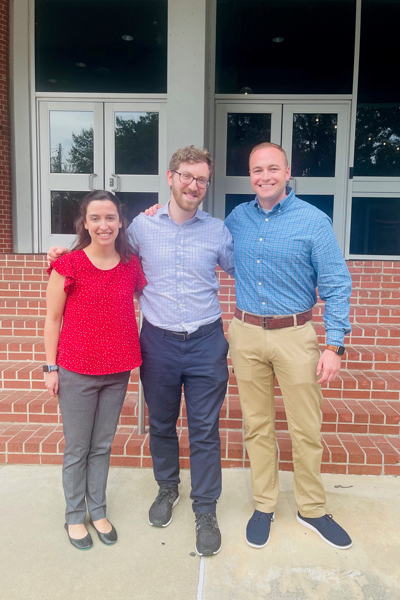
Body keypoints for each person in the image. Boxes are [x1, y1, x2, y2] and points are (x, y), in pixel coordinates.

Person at [48, 146, 235, 557]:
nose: (193, 184)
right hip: (159, 343)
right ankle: (167, 490)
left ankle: (205, 510)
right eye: (186, 176)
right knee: (162, 425)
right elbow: (100, 243)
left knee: (205, 430)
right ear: (170, 177)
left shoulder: (218, 230)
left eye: (201, 178)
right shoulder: (142, 229)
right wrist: (62, 253)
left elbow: (243, 269)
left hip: (206, 341)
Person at [224, 142, 353, 550]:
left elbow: (336, 284)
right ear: (250, 175)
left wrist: (334, 345)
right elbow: (198, 237)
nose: (265, 176)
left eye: (272, 168)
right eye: (257, 169)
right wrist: (155, 214)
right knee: (257, 426)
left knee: (305, 428)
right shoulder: (236, 219)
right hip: (245, 334)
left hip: (296, 335)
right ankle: (264, 503)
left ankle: (311, 508)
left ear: (287, 172)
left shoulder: (313, 221)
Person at [44, 190, 146, 550]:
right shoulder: (68, 264)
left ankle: (97, 510)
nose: (104, 225)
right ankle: (74, 516)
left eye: (110, 218)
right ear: (84, 224)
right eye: (95, 218)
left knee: (102, 445)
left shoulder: (131, 264)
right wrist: (50, 367)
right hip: (75, 370)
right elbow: (52, 318)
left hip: (117, 369)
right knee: (77, 447)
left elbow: (144, 297)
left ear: (121, 222)